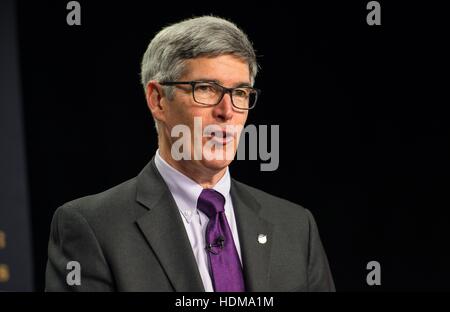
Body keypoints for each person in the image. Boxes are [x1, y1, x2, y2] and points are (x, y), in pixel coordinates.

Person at [45, 16, 335, 292]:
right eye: (206, 89)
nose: (227, 111)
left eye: (241, 93)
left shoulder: (296, 227)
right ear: (158, 100)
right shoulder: (92, 227)